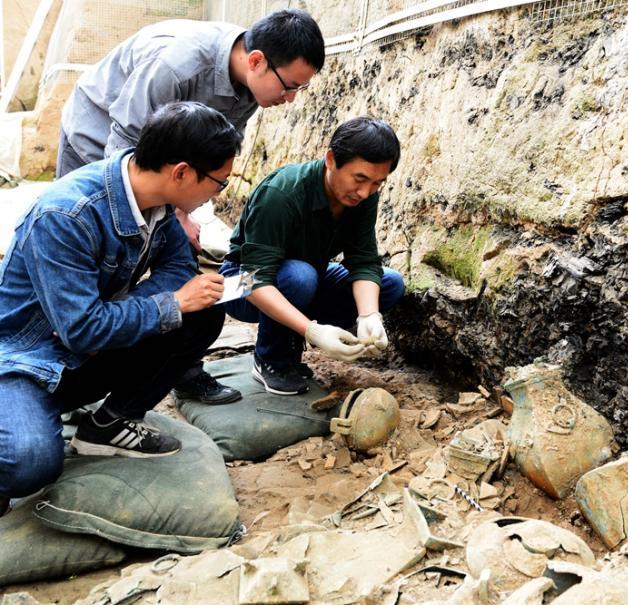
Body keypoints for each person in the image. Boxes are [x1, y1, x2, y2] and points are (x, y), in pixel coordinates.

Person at [55, 8, 325, 404]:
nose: (290, 99)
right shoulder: (177, 66)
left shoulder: (250, 88)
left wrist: (185, 214)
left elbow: (211, 157)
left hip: (163, 169)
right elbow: (124, 143)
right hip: (97, 140)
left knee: (180, 263)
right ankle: (65, 369)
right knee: (101, 254)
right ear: (256, 61)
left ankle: (178, 368)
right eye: (289, 87)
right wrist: (161, 215)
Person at [0, 102, 242, 511]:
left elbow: (179, 270)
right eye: (218, 183)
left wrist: (119, 314)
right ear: (181, 172)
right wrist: (156, 307)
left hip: (82, 350)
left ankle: (106, 425)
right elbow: (83, 331)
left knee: (202, 310)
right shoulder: (67, 215)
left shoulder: (159, 204)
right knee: (31, 463)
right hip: (26, 362)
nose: (217, 194)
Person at [221, 117, 405, 396]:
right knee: (299, 277)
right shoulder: (282, 193)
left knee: (390, 283)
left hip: (307, 274)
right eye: (360, 179)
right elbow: (255, 278)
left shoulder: (363, 197)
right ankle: (271, 359)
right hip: (238, 283)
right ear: (331, 160)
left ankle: (291, 332)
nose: (366, 192)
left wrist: (370, 315)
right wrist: (312, 331)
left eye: (378, 183)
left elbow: (364, 261)